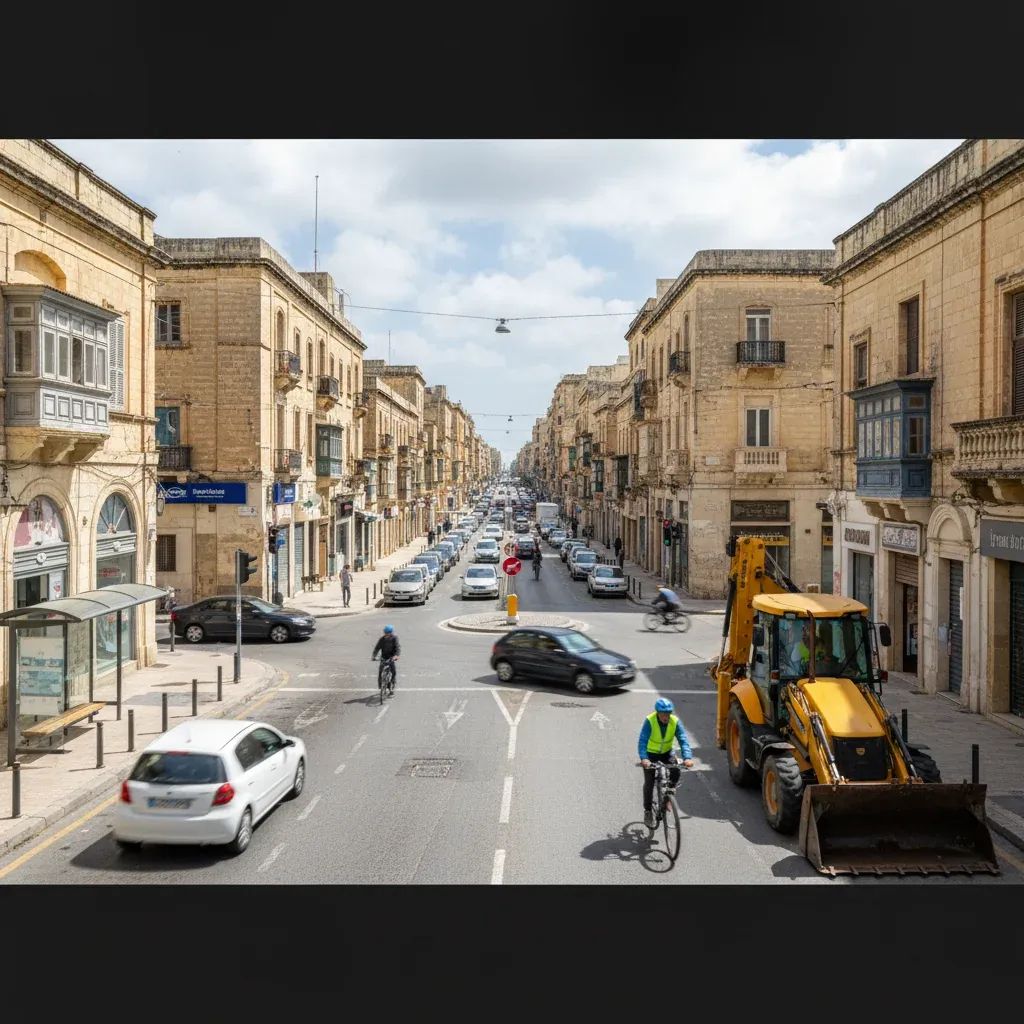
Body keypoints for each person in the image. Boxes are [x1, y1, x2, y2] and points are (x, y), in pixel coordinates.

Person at [638, 698, 694, 828]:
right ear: (657, 713)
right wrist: (644, 758)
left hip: (666, 752)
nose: (666, 717)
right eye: (663, 714)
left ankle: (668, 797)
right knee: (649, 782)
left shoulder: (674, 721)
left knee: (676, 770)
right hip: (650, 754)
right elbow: (642, 741)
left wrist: (687, 757)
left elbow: (683, 739)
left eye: (668, 713)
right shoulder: (650, 721)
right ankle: (647, 811)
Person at [372, 624, 401, 689]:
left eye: (388, 633)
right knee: (380, 672)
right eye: (385, 633)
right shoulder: (382, 639)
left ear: (391, 633)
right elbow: (377, 648)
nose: (386, 634)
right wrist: (374, 656)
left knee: (393, 672)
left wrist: (396, 655)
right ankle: (381, 686)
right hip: (384, 657)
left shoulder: (394, 638)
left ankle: (392, 684)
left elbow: (398, 647)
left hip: (392, 657)